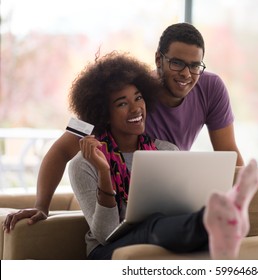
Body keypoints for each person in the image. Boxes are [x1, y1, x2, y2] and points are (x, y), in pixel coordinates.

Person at [2, 22, 244, 231]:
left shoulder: (211, 88)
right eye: (177, 63)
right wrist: (41, 206)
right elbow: (61, 150)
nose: (187, 74)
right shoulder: (129, 93)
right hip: (116, 200)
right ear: (159, 59)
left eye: (195, 65)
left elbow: (229, 153)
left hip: (163, 195)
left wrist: (246, 205)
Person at [66, 52, 258, 259]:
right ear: (104, 114)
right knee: (152, 225)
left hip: (161, 233)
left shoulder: (166, 151)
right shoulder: (84, 164)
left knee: (161, 222)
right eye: (122, 104)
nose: (135, 109)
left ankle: (221, 223)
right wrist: (104, 172)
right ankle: (215, 219)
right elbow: (105, 235)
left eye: (139, 98)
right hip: (103, 252)